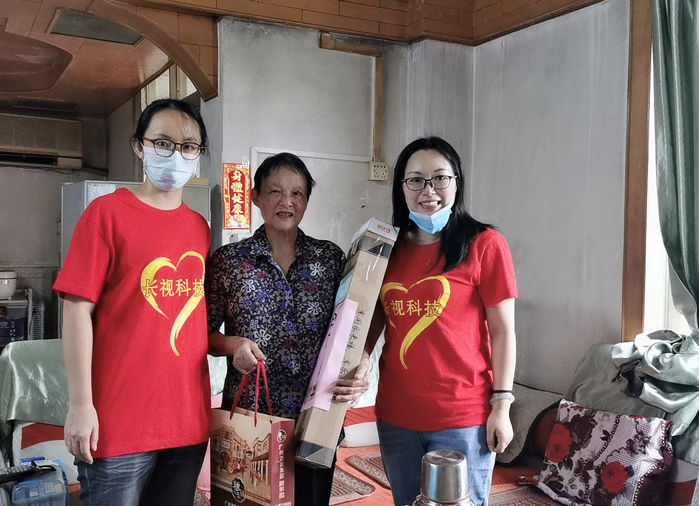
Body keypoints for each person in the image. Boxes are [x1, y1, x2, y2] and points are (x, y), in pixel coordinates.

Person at [54, 98, 212, 506]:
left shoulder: (199, 228)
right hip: (118, 424)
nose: (175, 155)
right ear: (139, 146)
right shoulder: (106, 214)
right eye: (163, 143)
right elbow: (76, 310)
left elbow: (194, 321)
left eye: (188, 146)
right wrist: (80, 405)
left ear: (198, 155)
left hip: (187, 423)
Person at [348, 136, 518, 506]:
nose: (429, 190)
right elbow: (373, 314)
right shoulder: (384, 247)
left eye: (440, 177)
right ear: (401, 187)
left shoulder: (485, 244)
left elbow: (503, 332)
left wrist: (502, 405)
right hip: (396, 415)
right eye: (416, 180)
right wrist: (362, 356)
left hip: (463, 416)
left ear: (457, 181)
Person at [207, 152, 368, 506]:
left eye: (297, 193)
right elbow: (204, 335)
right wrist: (234, 346)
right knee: (249, 498)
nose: (287, 202)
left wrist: (363, 363)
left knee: (313, 498)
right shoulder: (229, 262)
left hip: (317, 416)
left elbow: (349, 327)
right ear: (255, 197)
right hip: (252, 415)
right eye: (275, 191)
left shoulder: (329, 259)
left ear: (307, 200)